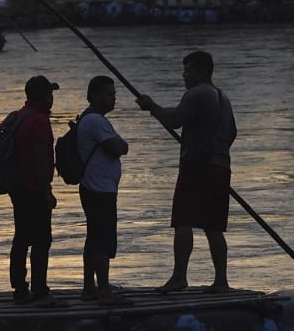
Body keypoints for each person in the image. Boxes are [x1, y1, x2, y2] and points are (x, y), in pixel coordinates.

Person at [135, 51, 238, 294]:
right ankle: (221, 281)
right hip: (222, 167)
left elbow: (174, 120)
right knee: (214, 226)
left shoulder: (196, 93)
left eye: (188, 70)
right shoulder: (224, 98)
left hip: (197, 167)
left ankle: (179, 277)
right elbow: (232, 132)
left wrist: (152, 107)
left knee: (183, 220)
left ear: (202, 71)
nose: (184, 75)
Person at [74, 75, 130, 305]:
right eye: (109, 94)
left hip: (95, 188)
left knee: (94, 237)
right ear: (94, 96)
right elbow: (117, 148)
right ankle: (104, 290)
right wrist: (121, 142)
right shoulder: (96, 121)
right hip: (99, 190)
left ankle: (90, 287)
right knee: (102, 240)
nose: (113, 98)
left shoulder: (90, 119)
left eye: (114, 94)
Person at [8, 75, 60, 306]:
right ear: (43, 95)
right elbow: (40, 156)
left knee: (21, 238)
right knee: (41, 240)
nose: (52, 98)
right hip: (33, 187)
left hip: (18, 187)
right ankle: (40, 290)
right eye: (50, 93)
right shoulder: (39, 120)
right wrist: (46, 190)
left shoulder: (21, 116)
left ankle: (20, 289)